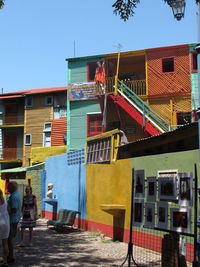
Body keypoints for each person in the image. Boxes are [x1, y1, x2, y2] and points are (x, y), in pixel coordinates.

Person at [7, 181, 21, 264]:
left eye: (8, 187)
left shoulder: (14, 196)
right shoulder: (16, 194)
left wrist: (6, 212)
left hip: (12, 220)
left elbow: (14, 209)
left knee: (10, 239)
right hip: (15, 219)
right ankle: (10, 255)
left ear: (11, 188)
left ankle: (11, 256)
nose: (7, 188)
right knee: (10, 239)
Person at [0, 189, 10, 267]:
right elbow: (9, 211)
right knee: (5, 243)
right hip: (6, 223)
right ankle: (5, 261)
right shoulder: (6, 200)